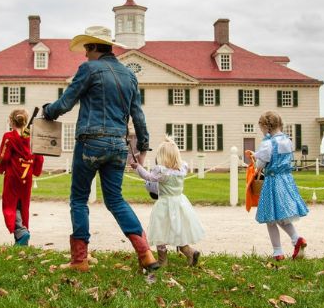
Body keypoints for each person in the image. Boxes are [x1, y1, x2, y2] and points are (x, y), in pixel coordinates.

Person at [42, 25, 159, 273]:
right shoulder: (130, 76)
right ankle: (145, 253)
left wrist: (47, 112)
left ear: (95, 47)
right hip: (118, 145)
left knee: (79, 199)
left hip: (90, 142)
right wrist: (143, 149)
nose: (85, 54)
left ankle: (79, 260)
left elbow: (66, 102)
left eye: (87, 48)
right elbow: (138, 116)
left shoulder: (89, 69)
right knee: (116, 200)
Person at [131, 137, 203, 267]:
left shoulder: (162, 172)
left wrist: (138, 168)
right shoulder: (181, 170)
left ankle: (163, 261)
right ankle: (190, 252)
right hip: (180, 203)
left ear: (162, 156)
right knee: (178, 230)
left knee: (161, 230)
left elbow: (149, 177)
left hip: (165, 204)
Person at [246, 111, 308, 260]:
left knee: (270, 218)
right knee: (282, 216)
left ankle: (278, 251)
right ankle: (296, 239)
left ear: (267, 127)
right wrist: (259, 153)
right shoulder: (287, 141)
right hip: (286, 180)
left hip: (272, 181)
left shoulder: (268, 144)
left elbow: (261, 164)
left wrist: (256, 157)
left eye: (261, 128)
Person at [0, 109, 44, 246]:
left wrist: (0, 164)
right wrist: (35, 170)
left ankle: (21, 232)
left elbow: (4, 157)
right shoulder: (31, 139)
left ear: (11, 121)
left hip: (13, 176)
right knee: (23, 206)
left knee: (10, 205)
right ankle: (21, 240)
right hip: (27, 177)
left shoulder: (9, 137)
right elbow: (39, 157)